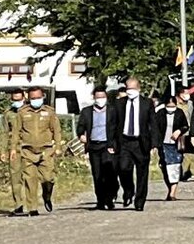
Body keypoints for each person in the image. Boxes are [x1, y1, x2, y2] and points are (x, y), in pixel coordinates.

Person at [10, 85, 63, 216]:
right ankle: (32, 208)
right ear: (28, 98)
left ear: (43, 97)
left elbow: (56, 130)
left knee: (48, 178)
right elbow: (16, 132)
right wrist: (13, 148)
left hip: (46, 151)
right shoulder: (22, 112)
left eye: (38, 97)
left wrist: (58, 146)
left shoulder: (49, 112)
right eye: (33, 98)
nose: (36, 100)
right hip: (28, 151)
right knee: (30, 180)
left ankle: (47, 195)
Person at [77, 87, 120, 210]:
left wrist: (115, 145)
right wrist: (81, 135)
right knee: (97, 175)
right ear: (94, 98)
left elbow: (118, 128)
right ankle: (100, 200)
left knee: (110, 173)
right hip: (94, 146)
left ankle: (110, 197)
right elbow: (80, 126)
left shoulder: (113, 111)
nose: (100, 100)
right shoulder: (86, 112)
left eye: (103, 97)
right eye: (98, 97)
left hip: (108, 146)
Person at [116, 77, 156, 211]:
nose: (130, 91)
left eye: (132, 88)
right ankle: (128, 190)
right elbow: (113, 124)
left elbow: (153, 123)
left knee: (142, 173)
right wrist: (112, 142)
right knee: (123, 168)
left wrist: (154, 143)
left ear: (138, 89)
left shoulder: (147, 103)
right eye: (128, 88)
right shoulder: (119, 103)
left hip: (141, 142)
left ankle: (139, 201)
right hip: (125, 141)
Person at [153, 94, 187, 200]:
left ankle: (173, 192)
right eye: (169, 106)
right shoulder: (160, 113)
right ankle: (170, 188)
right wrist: (154, 144)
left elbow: (185, 126)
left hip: (176, 145)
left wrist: (179, 131)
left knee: (175, 167)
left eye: (173, 106)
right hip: (163, 144)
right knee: (165, 167)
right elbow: (154, 128)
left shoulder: (180, 113)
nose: (171, 108)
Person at [1, 88, 26, 215]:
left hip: (29, 147)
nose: (17, 102)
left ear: (24, 98)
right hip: (14, 149)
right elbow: (4, 133)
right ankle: (18, 204)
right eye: (14, 99)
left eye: (19, 99)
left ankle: (31, 202)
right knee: (15, 177)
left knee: (30, 176)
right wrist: (3, 150)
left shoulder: (30, 112)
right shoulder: (8, 114)